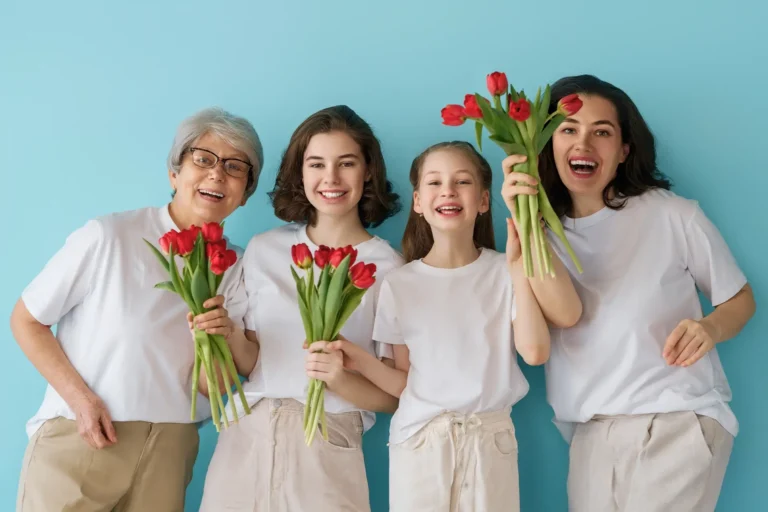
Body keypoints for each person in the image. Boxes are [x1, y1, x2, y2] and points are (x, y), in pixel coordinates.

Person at [10, 107, 263, 512]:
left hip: (171, 448)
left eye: (235, 167)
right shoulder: (110, 236)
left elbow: (208, 388)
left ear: (246, 192)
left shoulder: (237, 266)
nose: (217, 174)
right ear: (174, 173)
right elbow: (27, 320)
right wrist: (81, 401)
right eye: (203, 159)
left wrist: (220, 337)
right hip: (84, 435)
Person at [537, 74, 756, 512]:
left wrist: (710, 327)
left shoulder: (671, 215)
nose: (584, 143)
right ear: (548, 145)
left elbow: (740, 298)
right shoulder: (539, 234)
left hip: (674, 419)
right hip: (591, 433)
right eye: (568, 129)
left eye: (602, 132)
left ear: (624, 150)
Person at [325, 140, 582, 511]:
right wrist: (359, 361)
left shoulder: (504, 270)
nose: (448, 191)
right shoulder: (399, 284)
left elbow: (535, 351)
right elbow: (404, 384)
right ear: (418, 202)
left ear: (483, 200)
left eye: (462, 181)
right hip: (419, 444)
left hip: (489, 442)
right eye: (435, 182)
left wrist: (518, 270)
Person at [197, 105, 403, 512]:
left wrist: (339, 379)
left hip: (328, 438)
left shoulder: (389, 268)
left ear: (368, 172)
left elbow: (395, 397)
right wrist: (228, 333)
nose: (331, 178)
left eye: (347, 163)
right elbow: (253, 362)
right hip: (247, 435)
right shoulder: (265, 249)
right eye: (316, 164)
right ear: (301, 172)